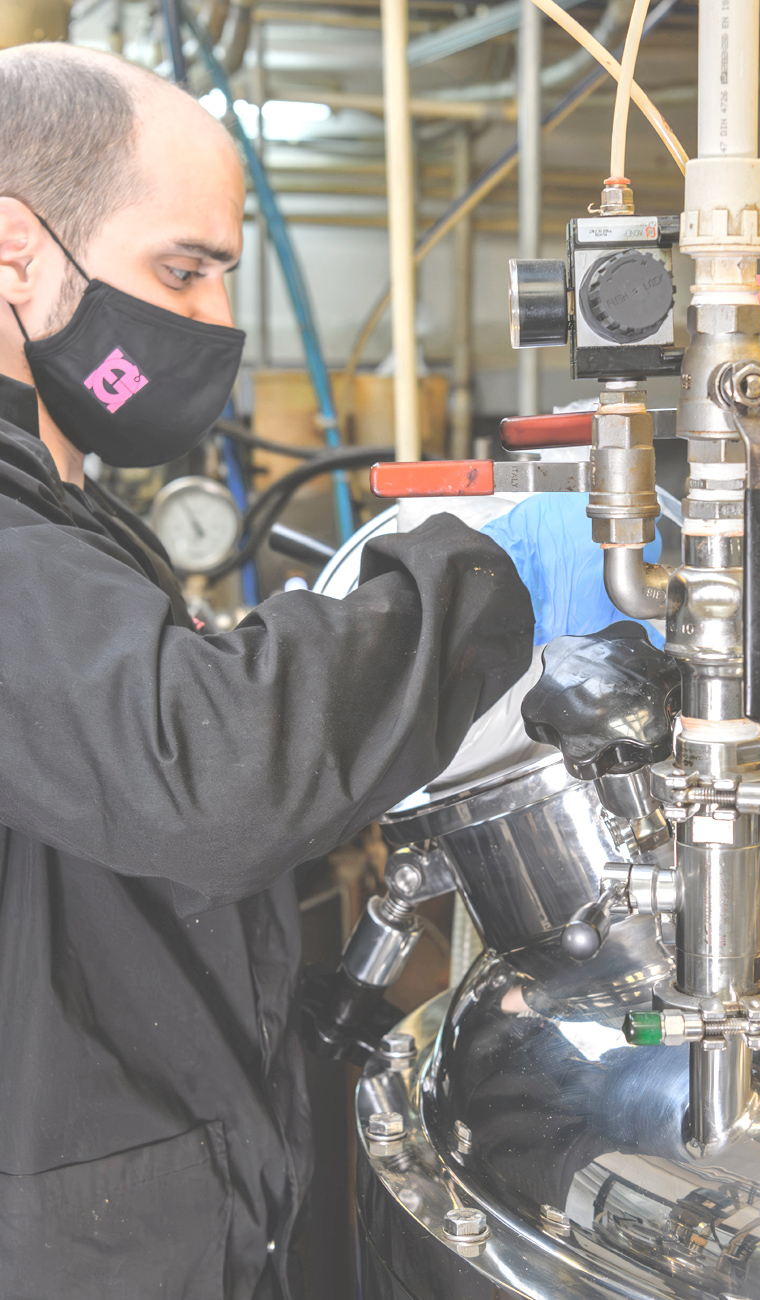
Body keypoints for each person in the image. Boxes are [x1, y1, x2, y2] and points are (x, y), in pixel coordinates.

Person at [0, 43, 652, 1300]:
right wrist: (488, 576)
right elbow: (208, 770)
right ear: (16, 253)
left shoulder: (66, 519)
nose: (214, 323)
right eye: (180, 271)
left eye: (222, 278)